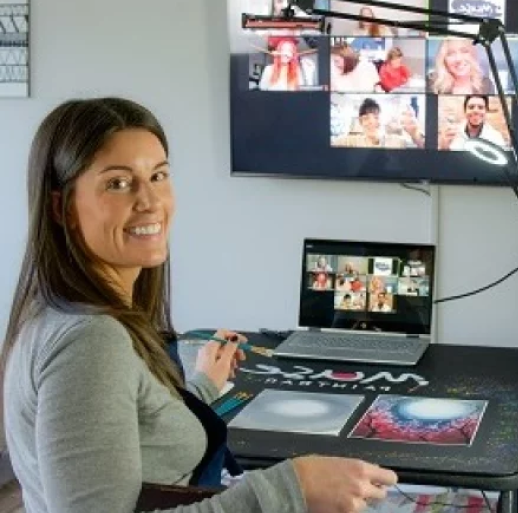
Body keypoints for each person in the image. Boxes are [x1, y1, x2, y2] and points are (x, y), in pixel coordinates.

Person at [1, 97, 398, 513]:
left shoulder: (64, 315)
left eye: (158, 175)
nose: (150, 201)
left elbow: (133, 432)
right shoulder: (90, 342)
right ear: (60, 207)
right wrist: (289, 487)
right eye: (118, 183)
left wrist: (202, 386)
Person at [332, 97, 425, 148]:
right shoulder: (350, 141)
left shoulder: (397, 142)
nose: (371, 122)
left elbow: (422, 149)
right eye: (366, 118)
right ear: (360, 122)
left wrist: (415, 134)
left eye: (376, 117)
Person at [428, 38, 495, 95]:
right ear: (443, 59)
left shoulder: (486, 84)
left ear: (472, 55)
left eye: (464, 51)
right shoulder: (432, 84)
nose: (458, 59)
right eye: (451, 53)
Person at [439, 94, 507, 151]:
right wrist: (443, 148)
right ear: (465, 111)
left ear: (486, 111)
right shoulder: (452, 135)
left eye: (480, 107)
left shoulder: (496, 138)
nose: (476, 111)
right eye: (471, 107)